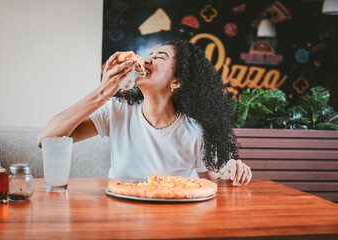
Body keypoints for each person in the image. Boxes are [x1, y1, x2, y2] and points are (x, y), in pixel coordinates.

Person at [37, 39, 252, 186]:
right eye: (149, 54)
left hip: (172, 218)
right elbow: (46, 139)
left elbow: (216, 183)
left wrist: (233, 171)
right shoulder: (117, 110)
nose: (146, 59)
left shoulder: (194, 132)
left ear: (177, 81)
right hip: (118, 213)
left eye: (159, 57)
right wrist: (102, 93)